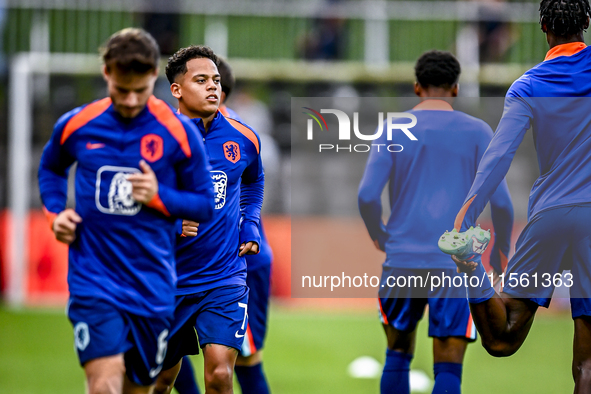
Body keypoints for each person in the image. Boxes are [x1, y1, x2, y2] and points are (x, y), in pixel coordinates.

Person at [37, 28, 214, 394]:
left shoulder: (178, 132)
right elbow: (51, 167)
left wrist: (159, 197)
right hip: (94, 280)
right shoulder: (77, 124)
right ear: (107, 73)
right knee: (104, 385)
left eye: (140, 90)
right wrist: (56, 213)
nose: (131, 100)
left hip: (152, 286)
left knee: (139, 390)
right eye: (121, 90)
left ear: (153, 76)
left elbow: (204, 205)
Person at [448, 0, 591, 390]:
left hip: (550, 216)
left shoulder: (528, 85)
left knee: (502, 336)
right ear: (587, 23)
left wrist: (467, 214)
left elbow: (497, 156)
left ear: (543, 26)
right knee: (589, 365)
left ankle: (472, 267)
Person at [358, 50, 514, 394]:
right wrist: (501, 252)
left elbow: (367, 195)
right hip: (456, 265)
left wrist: (380, 236)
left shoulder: (394, 128)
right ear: (455, 89)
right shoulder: (478, 131)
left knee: (396, 353)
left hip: (402, 261)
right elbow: (502, 203)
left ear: (417, 87)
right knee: (448, 363)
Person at [153, 45, 264, 394]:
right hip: (169, 280)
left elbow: (253, 181)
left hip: (224, 275)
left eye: (215, 80)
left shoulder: (243, 137)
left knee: (219, 375)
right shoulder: (155, 139)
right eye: (201, 80)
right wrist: (170, 223)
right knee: (160, 382)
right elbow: (131, 203)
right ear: (176, 90)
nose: (212, 87)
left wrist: (250, 222)